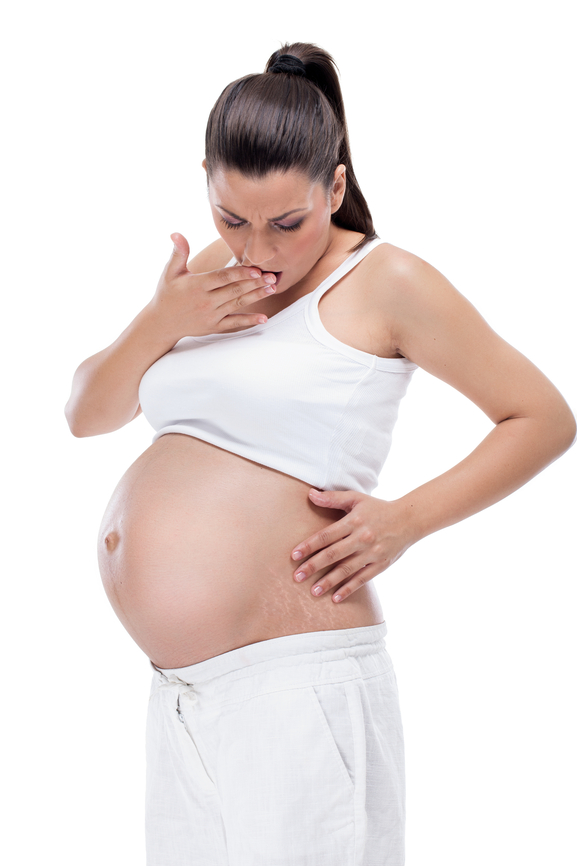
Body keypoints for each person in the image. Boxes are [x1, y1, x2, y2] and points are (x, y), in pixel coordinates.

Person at [64, 41, 575, 866]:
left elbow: (542, 417)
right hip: (184, 697)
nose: (258, 250)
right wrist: (162, 319)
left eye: (287, 224)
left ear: (332, 189)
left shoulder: (386, 281)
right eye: (231, 218)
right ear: (206, 182)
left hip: (295, 688)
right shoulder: (213, 276)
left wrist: (405, 520)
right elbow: (87, 415)